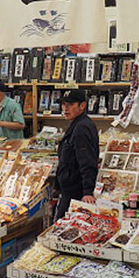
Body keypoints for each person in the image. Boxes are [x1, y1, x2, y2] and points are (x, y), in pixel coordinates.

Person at [54, 89, 98, 221]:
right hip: (69, 189)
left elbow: (87, 161)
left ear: (82, 106)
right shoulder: (77, 124)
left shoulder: (82, 127)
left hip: (75, 193)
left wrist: (87, 192)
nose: (65, 109)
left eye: (70, 105)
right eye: (63, 105)